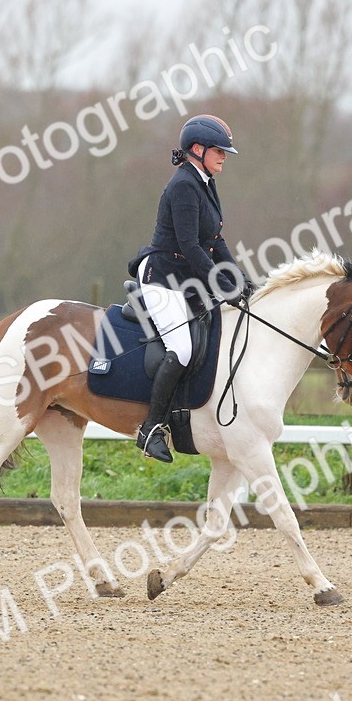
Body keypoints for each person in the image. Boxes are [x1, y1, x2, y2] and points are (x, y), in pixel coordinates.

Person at [127, 114, 253, 463]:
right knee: (181, 349)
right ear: (197, 150)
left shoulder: (206, 182)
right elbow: (190, 245)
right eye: (219, 150)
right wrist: (221, 284)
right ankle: (151, 428)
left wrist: (239, 278)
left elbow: (215, 241)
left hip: (186, 279)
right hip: (162, 278)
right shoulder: (184, 185)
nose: (224, 156)